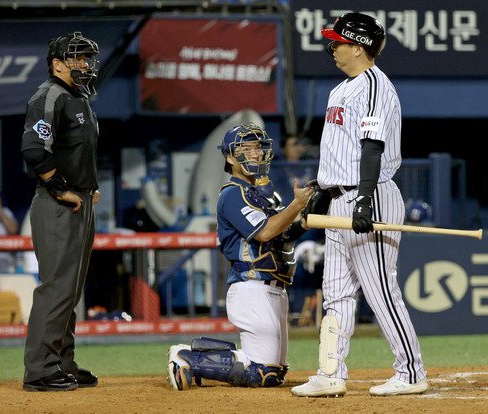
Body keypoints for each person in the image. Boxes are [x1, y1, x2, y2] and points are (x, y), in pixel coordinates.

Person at [291, 13, 428, 398]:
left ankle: (412, 372)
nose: (332, 47)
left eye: (338, 41)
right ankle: (331, 371)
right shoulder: (341, 90)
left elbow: (373, 146)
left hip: (370, 195)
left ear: (358, 46)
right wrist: (321, 188)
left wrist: (365, 198)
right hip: (339, 200)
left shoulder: (372, 86)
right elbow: (342, 151)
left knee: (381, 289)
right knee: (335, 292)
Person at [167, 123, 314, 390]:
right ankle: (186, 356)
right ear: (230, 157)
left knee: (275, 373)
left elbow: (283, 235)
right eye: (246, 148)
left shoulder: (267, 195)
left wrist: (305, 218)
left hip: (276, 289)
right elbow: (266, 232)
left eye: (258, 148)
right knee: (262, 373)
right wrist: (296, 205)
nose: (255, 154)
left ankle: (198, 353)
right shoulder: (232, 194)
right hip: (251, 287)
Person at [20, 32, 101, 392]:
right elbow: (35, 151)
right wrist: (62, 189)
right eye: (77, 58)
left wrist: (87, 186)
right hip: (56, 205)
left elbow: (76, 150)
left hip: (78, 202)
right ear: (57, 64)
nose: (85, 64)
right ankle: (40, 369)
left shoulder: (77, 96)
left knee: (70, 290)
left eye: (87, 58)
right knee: (56, 289)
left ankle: (62, 363)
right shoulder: (49, 95)